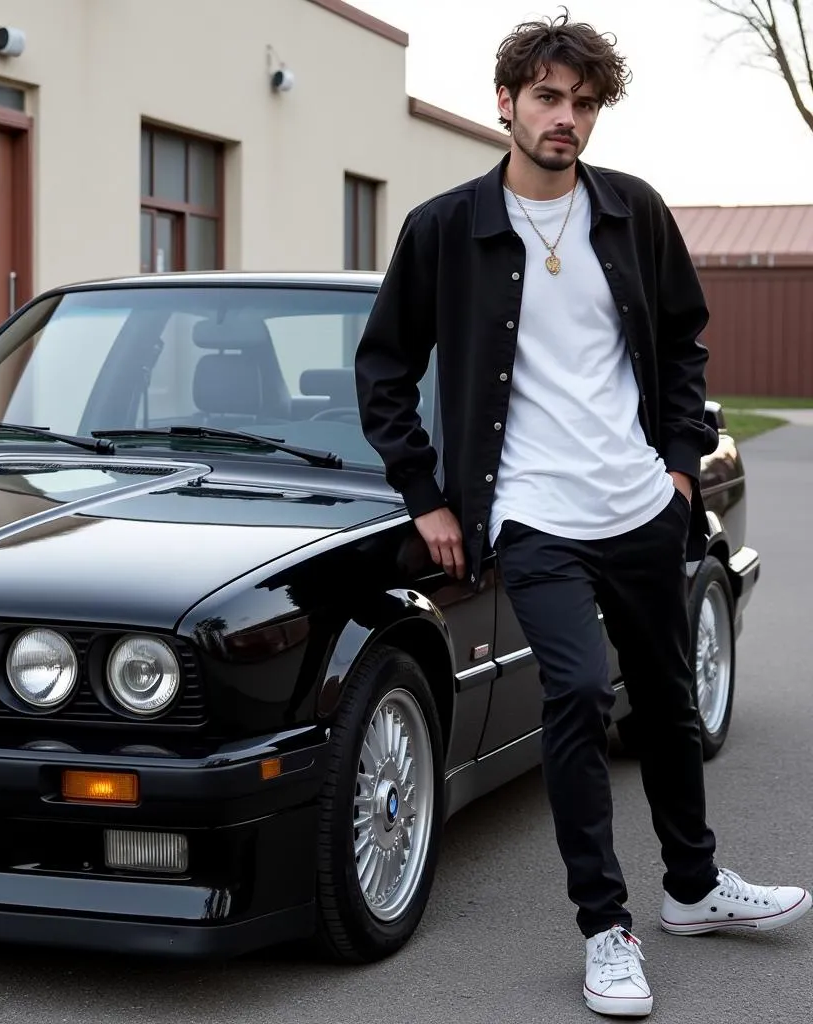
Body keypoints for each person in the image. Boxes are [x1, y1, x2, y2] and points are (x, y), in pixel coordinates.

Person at [354, 8, 810, 1018]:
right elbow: (385, 369)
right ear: (506, 103)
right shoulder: (444, 228)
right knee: (573, 693)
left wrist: (680, 468)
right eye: (548, 98)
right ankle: (606, 926)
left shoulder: (632, 212)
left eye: (584, 102)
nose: (566, 118)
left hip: (640, 506)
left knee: (666, 704)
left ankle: (692, 887)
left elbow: (685, 341)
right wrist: (425, 494)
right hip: (530, 515)